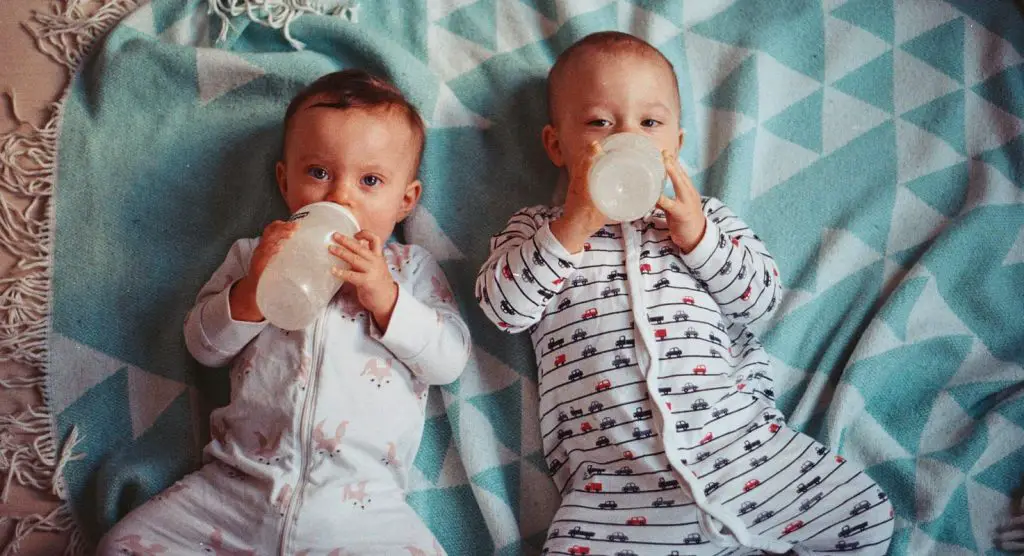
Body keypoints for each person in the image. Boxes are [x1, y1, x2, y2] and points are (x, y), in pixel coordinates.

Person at [475, 31, 893, 555]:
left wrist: (699, 238)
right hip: (616, 485)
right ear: (557, 145)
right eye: (599, 122)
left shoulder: (704, 220)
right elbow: (502, 307)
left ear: (674, 143)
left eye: (649, 123)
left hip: (742, 450)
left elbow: (759, 301)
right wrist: (572, 228)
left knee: (865, 517)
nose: (627, 137)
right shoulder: (537, 230)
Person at [98, 69, 470, 555]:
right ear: (284, 180)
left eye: (370, 180)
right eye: (318, 173)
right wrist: (253, 288)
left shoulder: (409, 269)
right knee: (121, 545)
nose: (340, 197)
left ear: (405, 200)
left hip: (360, 505)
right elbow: (202, 346)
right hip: (235, 487)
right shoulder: (254, 254)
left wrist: (385, 297)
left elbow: (449, 360)